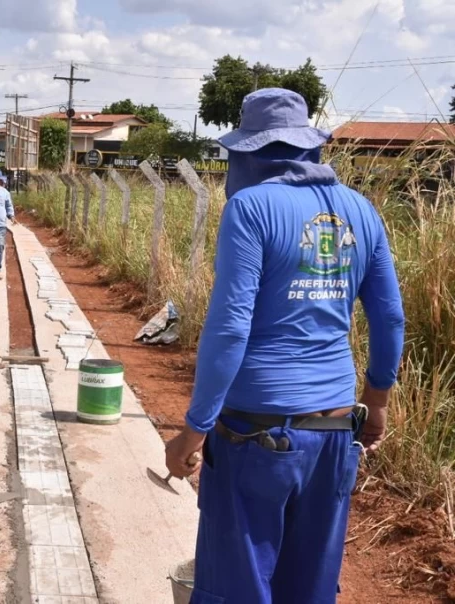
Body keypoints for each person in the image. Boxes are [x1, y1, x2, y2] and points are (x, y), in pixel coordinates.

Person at [164, 88, 405, 604]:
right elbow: (389, 317)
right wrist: (378, 403)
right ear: (308, 147)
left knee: (239, 586)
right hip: (337, 433)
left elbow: (231, 327)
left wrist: (194, 430)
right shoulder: (362, 211)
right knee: (311, 586)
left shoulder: (251, 208)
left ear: (248, 152)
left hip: (256, 435)